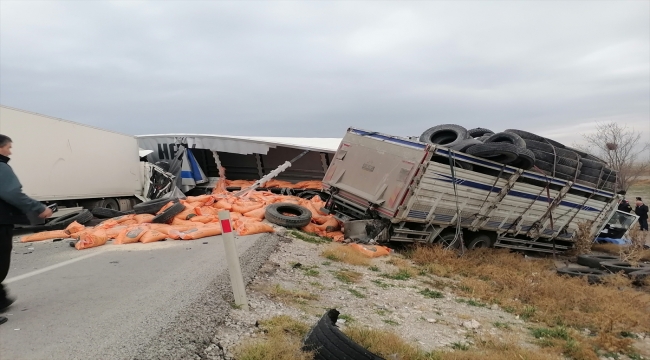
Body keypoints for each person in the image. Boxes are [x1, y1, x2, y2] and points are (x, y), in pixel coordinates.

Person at [0, 134, 53, 325]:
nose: (10, 151)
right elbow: (11, 192)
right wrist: (39, 208)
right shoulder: (1, 166)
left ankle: (1, 299)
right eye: (8, 147)